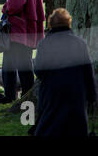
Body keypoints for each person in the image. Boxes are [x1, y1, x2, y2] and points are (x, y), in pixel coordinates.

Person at [34, 8, 97, 136]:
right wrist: (92, 95)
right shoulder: (79, 43)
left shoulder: (44, 44)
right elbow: (88, 72)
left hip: (52, 95)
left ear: (51, 24)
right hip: (76, 95)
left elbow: (39, 70)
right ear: (69, 23)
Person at [1, 0, 45, 103]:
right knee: (26, 66)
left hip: (18, 31)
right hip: (30, 31)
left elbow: (14, 7)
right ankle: (28, 98)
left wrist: (4, 8)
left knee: (8, 65)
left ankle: (10, 97)